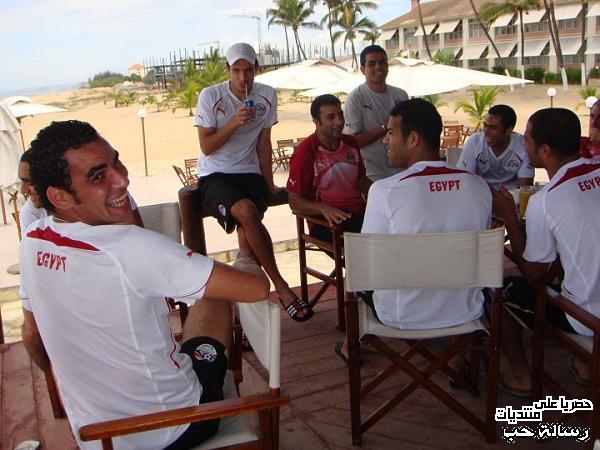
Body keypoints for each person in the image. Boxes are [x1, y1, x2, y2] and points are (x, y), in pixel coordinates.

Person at [20, 120, 271, 450]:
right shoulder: (132, 248)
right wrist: (245, 260)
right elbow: (255, 289)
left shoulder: (32, 241)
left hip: (97, 437)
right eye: (99, 176)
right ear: (60, 197)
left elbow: (32, 332)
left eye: (116, 162)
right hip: (172, 427)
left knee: (199, 295)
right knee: (216, 296)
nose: (122, 178)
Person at [336, 98, 492, 362]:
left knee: (355, 270)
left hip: (401, 315)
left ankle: (349, 344)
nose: (385, 141)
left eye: (390, 133)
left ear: (413, 139)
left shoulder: (385, 191)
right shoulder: (478, 186)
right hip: (465, 310)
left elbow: (366, 266)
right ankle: (460, 359)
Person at [193, 42, 310, 322]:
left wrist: (269, 185)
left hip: (249, 172)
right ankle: (282, 288)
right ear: (227, 70)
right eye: (236, 70)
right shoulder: (211, 96)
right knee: (246, 212)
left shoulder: (267, 95)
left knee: (247, 247)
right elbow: (207, 147)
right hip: (215, 174)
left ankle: (247, 322)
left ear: (257, 68)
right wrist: (234, 123)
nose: (243, 77)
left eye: (248, 70)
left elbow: (264, 143)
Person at [492, 108, 600, 395]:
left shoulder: (547, 200)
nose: (523, 144)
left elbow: (534, 273)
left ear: (545, 150)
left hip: (589, 319)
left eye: (527, 139)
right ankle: (585, 366)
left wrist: (509, 217)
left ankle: (521, 376)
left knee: (499, 290)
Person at [286, 94, 371, 243]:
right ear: (316, 121)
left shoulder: (351, 143)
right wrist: (322, 208)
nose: (339, 121)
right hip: (324, 221)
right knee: (369, 245)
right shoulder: (305, 152)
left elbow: (361, 180)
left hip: (357, 213)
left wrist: (380, 191)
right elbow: (294, 202)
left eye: (340, 115)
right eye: (331, 117)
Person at [17, 149, 143, 233]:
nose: (23, 190)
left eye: (29, 182)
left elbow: (138, 234)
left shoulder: (110, 196)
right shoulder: (30, 214)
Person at [343, 44, 408, 182]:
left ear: (387, 66)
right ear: (362, 69)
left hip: (402, 172)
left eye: (382, 62)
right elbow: (353, 142)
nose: (378, 67)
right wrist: (386, 126)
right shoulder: (356, 98)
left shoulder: (401, 95)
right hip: (372, 175)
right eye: (372, 63)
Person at [457, 104, 534, 189]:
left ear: (509, 130)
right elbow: (464, 180)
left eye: (492, 127)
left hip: (512, 195)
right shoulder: (475, 142)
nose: (486, 131)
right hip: (481, 193)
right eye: (485, 125)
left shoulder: (523, 145)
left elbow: (526, 188)